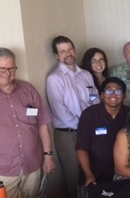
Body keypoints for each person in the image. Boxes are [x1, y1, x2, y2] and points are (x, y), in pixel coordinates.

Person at [0, 47, 55, 197]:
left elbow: (42, 124)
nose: (8, 73)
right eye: (2, 68)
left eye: (12, 68)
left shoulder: (28, 90)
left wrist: (48, 155)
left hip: (32, 167)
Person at [46, 35, 99, 197]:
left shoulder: (86, 75)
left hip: (89, 130)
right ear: (57, 56)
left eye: (69, 49)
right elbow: (60, 112)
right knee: (74, 178)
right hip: (68, 134)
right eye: (62, 51)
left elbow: (94, 99)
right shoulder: (54, 79)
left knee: (91, 172)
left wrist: (92, 123)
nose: (67, 53)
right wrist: (87, 125)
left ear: (74, 50)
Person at [76, 77, 129, 186]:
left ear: (124, 95)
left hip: (125, 172)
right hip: (95, 173)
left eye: (118, 91)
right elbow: (81, 147)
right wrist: (88, 174)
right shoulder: (89, 114)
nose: (113, 95)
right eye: (108, 91)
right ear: (102, 95)